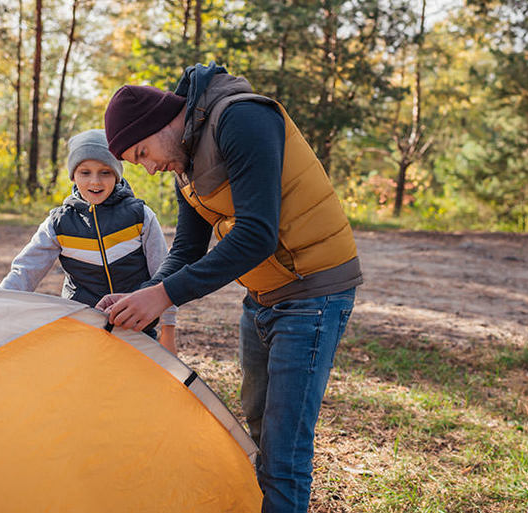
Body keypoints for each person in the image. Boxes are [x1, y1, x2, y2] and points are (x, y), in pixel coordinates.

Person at [97, 63, 362, 512]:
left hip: (314, 292)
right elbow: (186, 249)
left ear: (161, 124)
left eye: (142, 153)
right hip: (263, 297)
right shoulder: (186, 161)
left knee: (284, 451)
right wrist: (145, 291)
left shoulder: (242, 118)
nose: (148, 168)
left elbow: (257, 234)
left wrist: (164, 296)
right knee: (260, 429)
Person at [0, 128, 176, 353]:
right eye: (85, 172)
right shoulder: (59, 224)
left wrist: (168, 331)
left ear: (117, 175)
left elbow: (164, 272)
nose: (95, 181)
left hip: (137, 328)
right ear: (73, 176)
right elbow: (25, 271)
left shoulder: (140, 216)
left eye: (105, 172)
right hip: (82, 328)